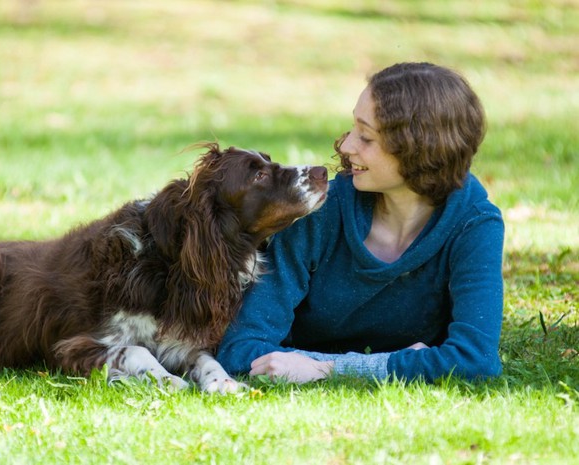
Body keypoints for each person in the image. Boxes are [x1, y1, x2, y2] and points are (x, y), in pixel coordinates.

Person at [216, 62, 505, 383]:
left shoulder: (474, 224)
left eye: (366, 137)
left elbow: (476, 360)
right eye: (354, 128)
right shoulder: (320, 211)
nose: (345, 146)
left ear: (418, 151)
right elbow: (239, 350)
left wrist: (325, 370)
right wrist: (408, 363)